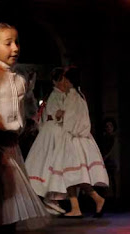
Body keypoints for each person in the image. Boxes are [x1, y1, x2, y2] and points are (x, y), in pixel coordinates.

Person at [0, 23, 49, 233]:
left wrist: (28, 125)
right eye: (8, 43)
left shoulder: (19, 79)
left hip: (12, 146)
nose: (15, 48)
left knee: (10, 202)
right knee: (3, 200)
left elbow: (25, 110)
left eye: (16, 42)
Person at [54, 66, 109, 218]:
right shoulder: (79, 95)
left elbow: (72, 122)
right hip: (78, 139)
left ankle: (88, 203)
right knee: (74, 175)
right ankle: (83, 205)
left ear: (68, 79)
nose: (62, 80)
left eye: (64, 77)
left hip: (74, 140)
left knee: (72, 175)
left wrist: (61, 116)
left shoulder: (72, 96)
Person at [24, 67, 67, 215]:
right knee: (51, 164)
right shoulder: (55, 95)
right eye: (62, 79)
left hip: (54, 131)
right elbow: (55, 114)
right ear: (55, 81)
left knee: (54, 165)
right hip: (53, 132)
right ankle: (51, 198)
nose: (64, 82)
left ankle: (52, 199)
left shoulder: (60, 95)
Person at [99, 117, 120, 205]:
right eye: (107, 126)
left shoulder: (114, 138)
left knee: (114, 180)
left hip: (112, 161)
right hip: (105, 162)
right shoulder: (104, 138)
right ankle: (107, 200)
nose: (108, 128)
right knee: (105, 182)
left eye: (110, 126)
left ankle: (116, 199)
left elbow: (112, 150)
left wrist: (105, 157)